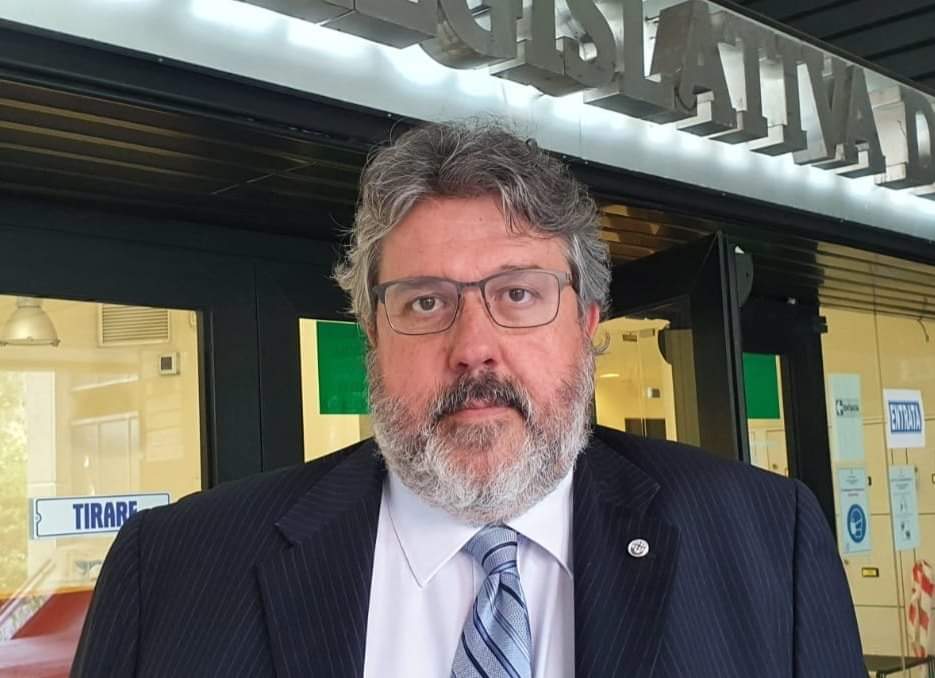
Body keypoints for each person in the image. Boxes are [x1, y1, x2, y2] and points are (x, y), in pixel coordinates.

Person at [72, 120, 865, 678]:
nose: (473, 346)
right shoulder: (173, 568)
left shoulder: (767, 541)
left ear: (587, 325)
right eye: (425, 302)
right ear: (371, 334)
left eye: (518, 294)